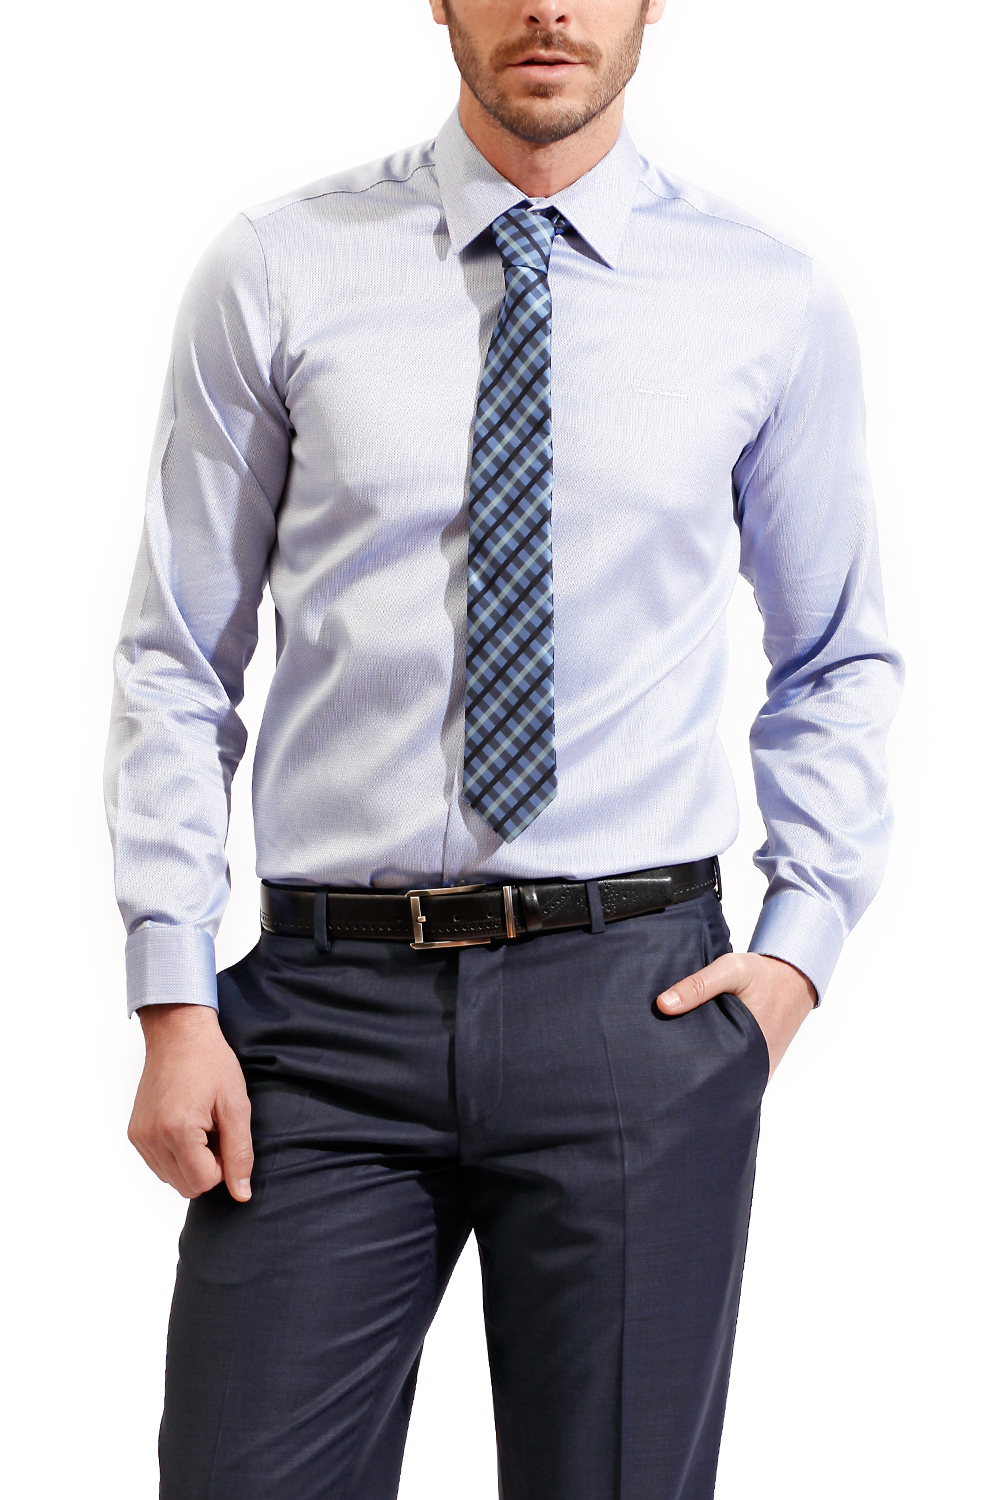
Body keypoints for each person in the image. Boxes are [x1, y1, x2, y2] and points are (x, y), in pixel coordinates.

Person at [105, 2, 903, 1495]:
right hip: (321, 1025)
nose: (549, 7)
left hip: (634, 1002)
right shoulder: (280, 266)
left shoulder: (765, 297)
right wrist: (171, 991)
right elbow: (177, 653)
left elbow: (836, 655)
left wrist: (797, 954)